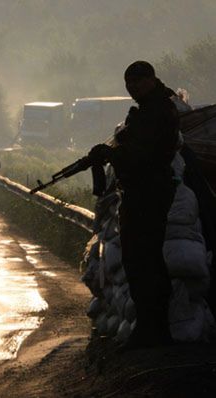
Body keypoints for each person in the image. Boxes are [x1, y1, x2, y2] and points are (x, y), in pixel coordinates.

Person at [89, 61, 180, 348]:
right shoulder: (149, 110)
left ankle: (153, 331)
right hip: (143, 191)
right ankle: (150, 328)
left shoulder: (157, 111)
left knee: (144, 261)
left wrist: (112, 154)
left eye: (138, 83)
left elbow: (142, 154)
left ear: (151, 80)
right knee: (140, 261)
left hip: (148, 193)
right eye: (129, 84)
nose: (133, 89)